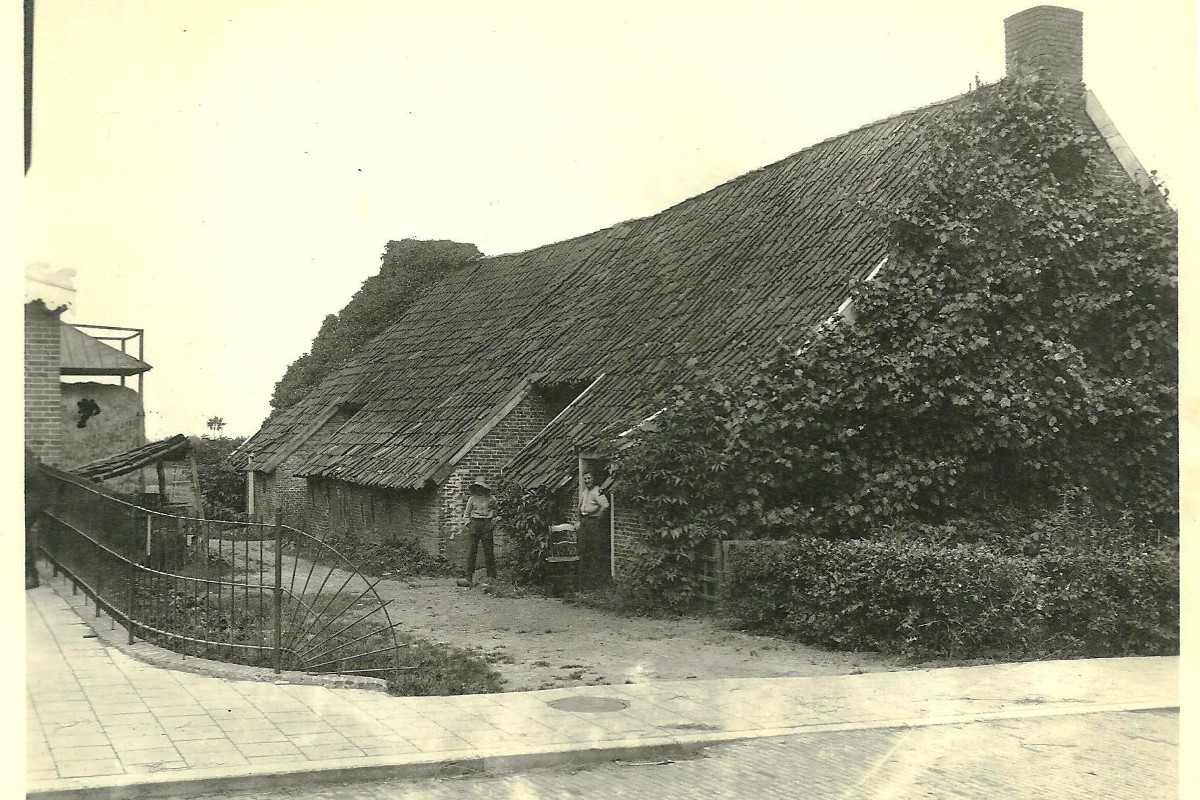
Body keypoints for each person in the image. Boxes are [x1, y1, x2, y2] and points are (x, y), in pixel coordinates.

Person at [454, 478, 498, 587]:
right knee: (471, 551)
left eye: (481, 487)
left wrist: (492, 522)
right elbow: (466, 514)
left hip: (487, 525)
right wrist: (469, 524)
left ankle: (492, 578)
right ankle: (468, 577)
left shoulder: (492, 499)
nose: (479, 489)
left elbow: (497, 512)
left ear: (485, 488)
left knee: (489, 551)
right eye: (477, 487)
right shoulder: (472, 499)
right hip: (475, 524)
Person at [577, 470, 610, 588]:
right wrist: (580, 520)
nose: (587, 481)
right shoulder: (585, 491)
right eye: (585, 479)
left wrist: (597, 518)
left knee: (594, 550)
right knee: (583, 550)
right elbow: (580, 507)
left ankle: (596, 582)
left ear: (594, 479)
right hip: (584, 522)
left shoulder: (597, 491)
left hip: (593, 523)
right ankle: (584, 581)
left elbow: (605, 506)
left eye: (589, 478)